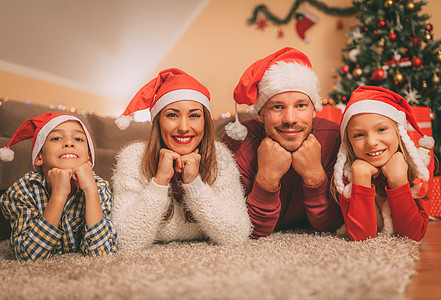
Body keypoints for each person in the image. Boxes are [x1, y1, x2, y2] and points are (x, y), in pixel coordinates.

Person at [111, 68, 252, 250]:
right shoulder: (133, 156)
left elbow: (236, 234)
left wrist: (194, 183)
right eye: (172, 115)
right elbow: (125, 241)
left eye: (194, 115)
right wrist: (159, 182)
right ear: (158, 121)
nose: (184, 127)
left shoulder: (220, 155)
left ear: (205, 121)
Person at [221, 47, 344, 238]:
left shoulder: (333, 138)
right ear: (261, 114)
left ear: (314, 110)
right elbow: (249, 230)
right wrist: (267, 177)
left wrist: (314, 175)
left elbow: (330, 226)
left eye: (301, 105)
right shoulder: (238, 144)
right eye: (278, 107)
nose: (290, 119)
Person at [0, 113, 117, 261]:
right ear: (39, 156)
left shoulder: (99, 187)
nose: (69, 143)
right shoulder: (23, 190)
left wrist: (91, 191)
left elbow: (102, 253)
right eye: (56, 138)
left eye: (78, 139)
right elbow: (28, 256)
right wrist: (58, 195)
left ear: (89, 158)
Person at [333, 86, 434, 241]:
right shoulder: (347, 170)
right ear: (348, 143)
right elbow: (361, 237)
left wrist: (398, 179)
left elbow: (413, 235)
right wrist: (360, 177)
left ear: (398, 132)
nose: (372, 142)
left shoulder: (421, 163)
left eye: (381, 129)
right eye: (359, 135)